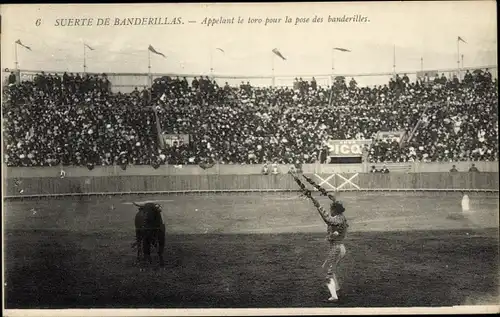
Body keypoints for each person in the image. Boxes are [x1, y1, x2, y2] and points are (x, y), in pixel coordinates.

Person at [303, 190, 349, 302]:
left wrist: (317, 205)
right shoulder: (341, 217)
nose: (330, 211)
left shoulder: (337, 219)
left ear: (335, 210)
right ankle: (336, 290)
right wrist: (314, 199)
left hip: (336, 249)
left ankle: (334, 296)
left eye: (332, 209)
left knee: (327, 273)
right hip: (339, 247)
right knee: (327, 269)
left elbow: (327, 219)